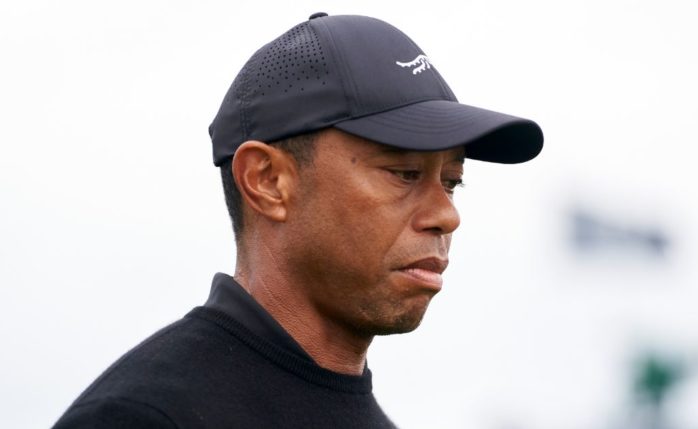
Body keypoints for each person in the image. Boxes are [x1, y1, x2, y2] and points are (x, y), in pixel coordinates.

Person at [53, 12, 543, 428]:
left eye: (451, 181)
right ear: (267, 181)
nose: (446, 215)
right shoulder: (146, 417)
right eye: (404, 173)